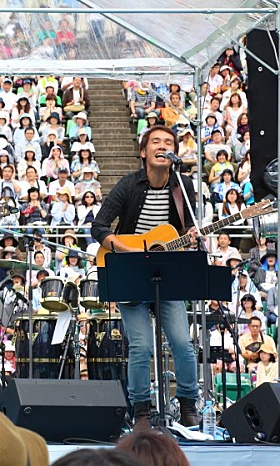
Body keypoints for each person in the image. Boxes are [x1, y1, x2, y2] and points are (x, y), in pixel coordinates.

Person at [91, 125, 200, 430]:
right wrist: (130, 251)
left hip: (167, 273)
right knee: (141, 346)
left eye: (169, 142)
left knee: (182, 342)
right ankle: (140, 410)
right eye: (156, 142)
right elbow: (98, 228)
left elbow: (187, 227)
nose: (163, 146)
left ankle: (189, 406)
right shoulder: (128, 186)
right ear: (143, 152)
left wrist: (191, 236)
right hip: (129, 271)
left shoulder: (182, 185)